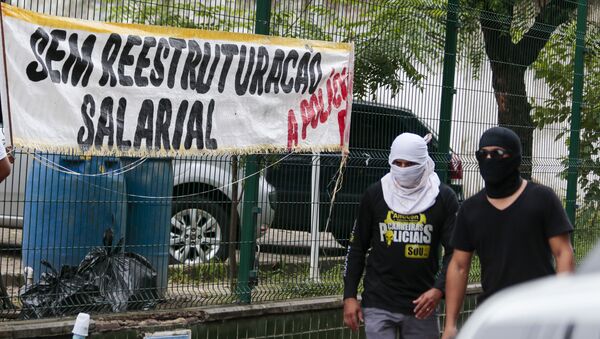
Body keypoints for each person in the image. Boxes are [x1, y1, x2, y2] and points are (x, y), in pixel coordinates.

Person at [442, 127, 575, 339]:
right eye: (482, 154)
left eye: (497, 153)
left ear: (515, 157)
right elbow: (459, 266)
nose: (488, 158)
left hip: (539, 315)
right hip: (494, 316)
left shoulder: (542, 199)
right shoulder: (471, 209)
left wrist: (559, 308)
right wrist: (450, 325)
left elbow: (563, 253)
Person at [343, 133, 459, 339]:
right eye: (398, 163)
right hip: (379, 302)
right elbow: (357, 247)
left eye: (410, 164)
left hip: (422, 306)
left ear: (423, 162)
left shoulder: (442, 198)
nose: (403, 169)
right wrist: (349, 296)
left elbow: (455, 253)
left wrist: (438, 289)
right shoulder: (376, 194)